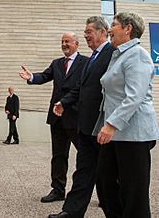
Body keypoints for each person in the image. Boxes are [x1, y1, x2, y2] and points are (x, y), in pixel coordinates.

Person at [93, 12, 159, 218]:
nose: (109, 29)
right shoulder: (119, 54)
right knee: (105, 185)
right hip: (115, 134)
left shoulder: (137, 54)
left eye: (113, 25)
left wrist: (111, 124)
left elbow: (135, 96)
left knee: (133, 194)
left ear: (127, 28)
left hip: (133, 134)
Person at [50, 16, 116, 218]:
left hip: (102, 127)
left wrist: (111, 123)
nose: (86, 35)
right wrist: (64, 102)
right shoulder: (93, 57)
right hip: (86, 126)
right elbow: (81, 88)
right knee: (84, 171)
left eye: (89, 32)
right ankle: (71, 212)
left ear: (102, 32)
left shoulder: (112, 53)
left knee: (107, 175)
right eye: (85, 32)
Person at [19, 32, 88, 203]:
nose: (64, 44)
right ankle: (58, 190)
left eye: (68, 41)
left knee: (88, 156)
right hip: (57, 117)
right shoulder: (57, 63)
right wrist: (32, 77)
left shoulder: (86, 62)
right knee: (58, 156)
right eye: (62, 41)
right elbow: (45, 76)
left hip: (76, 116)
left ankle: (103, 193)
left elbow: (81, 87)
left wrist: (65, 102)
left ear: (77, 43)